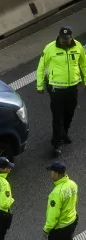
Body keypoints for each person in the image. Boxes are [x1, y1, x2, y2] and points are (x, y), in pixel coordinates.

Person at [36, 25, 86, 157]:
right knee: (58, 117)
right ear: (59, 36)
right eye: (62, 38)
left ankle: (64, 133)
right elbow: (41, 67)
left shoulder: (78, 47)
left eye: (67, 38)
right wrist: (39, 85)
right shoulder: (50, 48)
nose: (64, 40)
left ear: (71, 37)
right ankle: (57, 144)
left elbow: (83, 64)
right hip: (56, 89)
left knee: (69, 113)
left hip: (72, 88)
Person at [41, 161, 81, 240]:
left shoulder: (56, 193)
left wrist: (46, 230)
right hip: (71, 223)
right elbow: (75, 202)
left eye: (51, 171)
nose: (50, 173)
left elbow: (53, 216)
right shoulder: (72, 184)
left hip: (59, 229)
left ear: (57, 174)